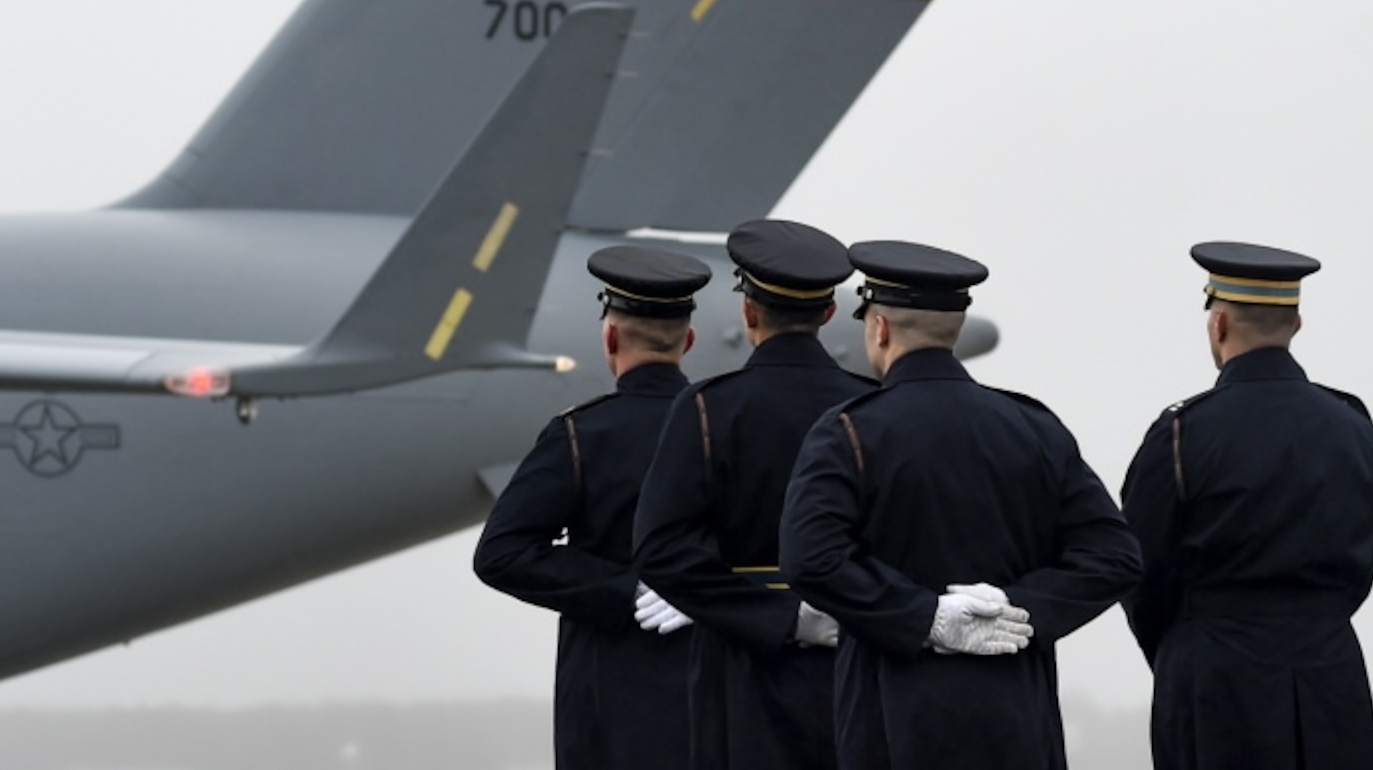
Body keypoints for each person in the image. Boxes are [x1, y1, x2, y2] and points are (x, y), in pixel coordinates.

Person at [778, 240, 1140, 769]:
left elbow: (812, 558)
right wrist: (1019, 606)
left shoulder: (848, 431)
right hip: (1015, 710)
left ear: (879, 329)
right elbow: (1115, 556)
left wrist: (923, 617)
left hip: (892, 711)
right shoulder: (1033, 427)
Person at [1120, 242, 1373, 770]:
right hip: (1330, 672)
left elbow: (1140, 571)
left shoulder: (1181, 433)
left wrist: (1183, 650)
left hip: (1214, 679)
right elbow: (1364, 549)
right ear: (1297, 324)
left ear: (1218, 325)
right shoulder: (1353, 425)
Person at [633, 218, 872, 770]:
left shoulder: (707, 407)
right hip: (857, 654)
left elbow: (659, 551)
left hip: (739, 667)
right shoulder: (870, 407)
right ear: (829, 314)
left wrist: (778, 617)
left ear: (748, 312)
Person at [473, 245, 708, 770]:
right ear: (688, 340)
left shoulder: (580, 435)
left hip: (609, 698)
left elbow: (501, 553)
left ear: (610, 337)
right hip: (720, 689)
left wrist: (626, 591)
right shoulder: (730, 428)